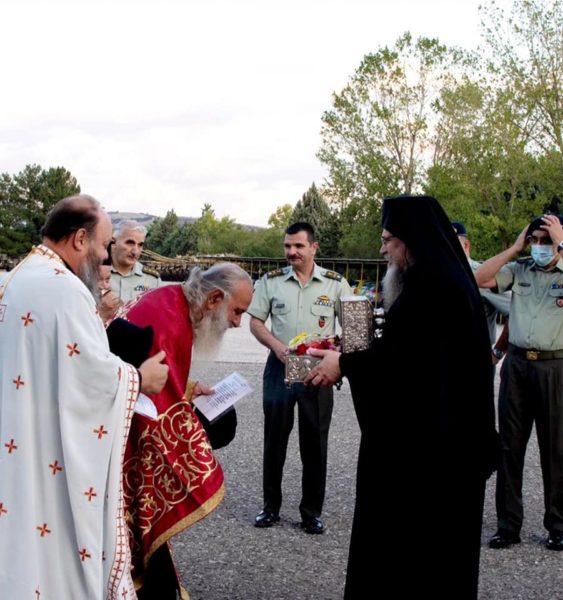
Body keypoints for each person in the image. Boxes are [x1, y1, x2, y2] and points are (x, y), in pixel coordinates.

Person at [305, 195, 498, 599]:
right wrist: (350, 358)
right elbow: (409, 359)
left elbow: (403, 369)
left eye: (388, 239)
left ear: (411, 240)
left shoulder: (433, 288)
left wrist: (345, 363)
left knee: (411, 562)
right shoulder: (443, 282)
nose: (383, 250)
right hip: (441, 454)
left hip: (426, 462)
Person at [0, 194, 169, 599]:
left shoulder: (20, 275)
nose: (106, 255)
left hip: (23, 434)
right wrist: (139, 379)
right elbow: (90, 377)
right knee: (58, 547)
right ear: (79, 239)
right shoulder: (66, 289)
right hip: (48, 447)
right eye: (104, 245)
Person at [116, 262, 253, 598]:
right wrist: (199, 452)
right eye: (237, 312)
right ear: (214, 299)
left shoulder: (172, 301)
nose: (237, 323)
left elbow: (156, 382)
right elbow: (154, 407)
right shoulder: (169, 320)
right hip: (123, 448)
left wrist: (188, 389)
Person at [248, 222, 352, 534]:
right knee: (274, 441)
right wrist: (277, 347)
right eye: (287, 246)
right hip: (280, 367)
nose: (291, 252)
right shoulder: (271, 282)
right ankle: (270, 508)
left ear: (314, 248)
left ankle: (311, 513)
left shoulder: (335, 284)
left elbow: (353, 329)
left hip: (317, 372)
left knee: (315, 444)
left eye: (298, 246)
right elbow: (256, 322)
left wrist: (337, 357)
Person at [475, 213, 563, 551]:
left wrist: (562, 243)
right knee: (510, 447)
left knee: (555, 449)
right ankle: (508, 525)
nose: (539, 246)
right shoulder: (521, 269)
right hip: (517, 366)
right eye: (535, 240)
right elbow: (480, 278)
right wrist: (514, 248)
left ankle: (558, 524)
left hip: (554, 367)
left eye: (546, 240)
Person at [451, 221, 511, 362]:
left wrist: (498, 351)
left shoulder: (483, 276)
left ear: (466, 245)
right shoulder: (439, 275)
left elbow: (516, 311)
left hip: (474, 357)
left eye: (451, 242)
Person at [110, 219, 162, 302]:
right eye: (130, 243)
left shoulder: (152, 279)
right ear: (113, 242)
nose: (135, 251)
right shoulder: (96, 274)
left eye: (140, 245)